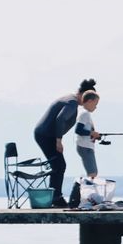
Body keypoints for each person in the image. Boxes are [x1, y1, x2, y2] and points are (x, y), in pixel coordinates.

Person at [32, 78, 96, 207]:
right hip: (46, 136)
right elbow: (60, 119)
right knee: (59, 165)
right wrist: (59, 141)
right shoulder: (71, 103)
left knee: (58, 165)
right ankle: (56, 198)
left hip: (45, 135)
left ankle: (54, 197)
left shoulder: (70, 100)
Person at [74, 91, 101, 179]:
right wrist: (92, 133)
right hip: (85, 147)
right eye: (95, 103)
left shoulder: (84, 113)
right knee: (92, 173)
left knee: (93, 172)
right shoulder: (84, 113)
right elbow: (78, 130)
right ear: (89, 101)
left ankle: (84, 189)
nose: (96, 107)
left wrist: (94, 135)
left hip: (86, 146)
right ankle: (83, 190)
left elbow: (84, 130)